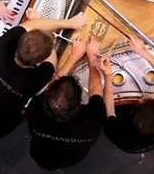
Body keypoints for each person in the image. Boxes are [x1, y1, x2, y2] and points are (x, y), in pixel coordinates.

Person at [0, 9, 85, 139]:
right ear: (40, 61)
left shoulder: (0, 48)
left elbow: (28, 26)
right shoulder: (33, 81)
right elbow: (51, 62)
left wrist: (44, 23)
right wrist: (58, 28)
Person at [26, 36, 108, 170]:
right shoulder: (92, 123)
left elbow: (52, 85)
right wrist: (91, 58)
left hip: (39, 153)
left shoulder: (34, 111)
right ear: (80, 103)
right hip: (70, 159)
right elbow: (95, 90)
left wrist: (74, 56)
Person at [103, 36, 154, 153]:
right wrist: (143, 51)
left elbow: (109, 110)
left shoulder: (123, 137)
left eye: (152, 97)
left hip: (128, 139)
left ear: (133, 110)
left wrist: (107, 75)